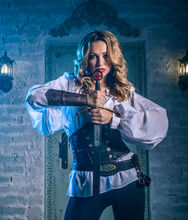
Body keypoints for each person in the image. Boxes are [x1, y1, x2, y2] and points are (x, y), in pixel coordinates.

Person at [25, 30, 168, 220]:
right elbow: (34, 97)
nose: (100, 63)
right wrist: (85, 98)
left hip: (127, 179)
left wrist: (114, 119)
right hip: (86, 182)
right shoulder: (69, 84)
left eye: (106, 56)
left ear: (113, 58)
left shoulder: (124, 93)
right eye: (93, 56)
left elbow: (160, 120)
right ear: (85, 59)